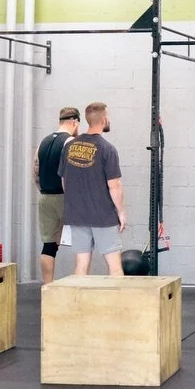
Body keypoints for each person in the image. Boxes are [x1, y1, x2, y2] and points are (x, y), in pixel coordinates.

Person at [60, 101, 126, 277]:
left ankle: (78, 304)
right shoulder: (107, 149)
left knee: (81, 265)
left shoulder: (69, 146)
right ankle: (119, 305)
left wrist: (75, 203)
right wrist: (121, 213)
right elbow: (115, 185)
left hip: (77, 215)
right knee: (115, 266)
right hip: (103, 216)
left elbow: (65, 181)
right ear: (104, 120)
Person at [33, 106, 81, 284]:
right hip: (66, 198)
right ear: (74, 122)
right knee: (81, 245)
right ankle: (78, 286)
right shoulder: (70, 143)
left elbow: (35, 172)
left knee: (49, 245)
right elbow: (72, 174)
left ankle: (47, 287)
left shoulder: (43, 142)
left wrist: (44, 191)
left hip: (45, 197)